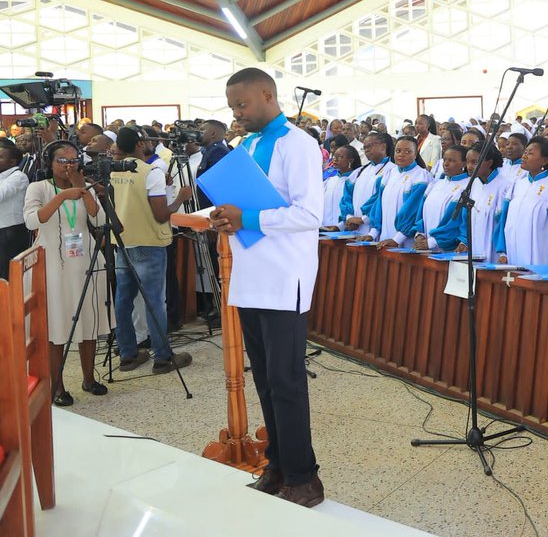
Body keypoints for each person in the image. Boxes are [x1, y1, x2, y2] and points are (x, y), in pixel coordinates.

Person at [210, 68, 324, 506]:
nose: (237, 114)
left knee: (287, 380)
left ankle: (304, 477)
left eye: (242, 105)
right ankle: (277, 463)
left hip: (284, 278)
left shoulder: (300, 144)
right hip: (250, 273)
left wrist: (249, 219)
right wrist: (220, 216)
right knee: (264, 380)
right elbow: (240, 204)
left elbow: (309, 214)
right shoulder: (248, 145)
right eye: (232, 108)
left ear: (267, 95)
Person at [23, 142, 108, 406]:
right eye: (63, 161)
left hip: (85, 260)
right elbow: (33, 220)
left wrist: (83, 191)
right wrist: (62, 196)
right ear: (49, 162)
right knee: (57, 325)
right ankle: (57, 385)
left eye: (73, 160)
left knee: (89, 320)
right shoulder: (39, 188)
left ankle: (88, 378)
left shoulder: (86, 186)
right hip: (53, 265)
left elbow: (99, 220)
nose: (69, 166)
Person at [108, 128, 192, 373]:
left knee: (123, 300)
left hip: (123, 243)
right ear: (139, 143)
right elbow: (160, 214)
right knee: (155, 301)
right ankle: (163, 358)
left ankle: (128, 355)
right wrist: (180, 199)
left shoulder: (113, 170)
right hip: (149, 243)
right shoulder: (151, 172)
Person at [495, 136, 548, 266]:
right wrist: (503, 251)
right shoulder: (517, 185)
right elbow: (504, 221)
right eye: (525, 152)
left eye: (530, 153)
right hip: (513, 254)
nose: (524, 156)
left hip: (542, 256)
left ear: (544, 160)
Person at [377, 136, 434, 249]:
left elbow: (414, 210)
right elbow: (378, 204)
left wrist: (398, 238)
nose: (401, 154)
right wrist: (374, 232)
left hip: (405, 239)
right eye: (398, 151)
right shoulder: (389, 173)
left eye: (407, 151)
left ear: (415, 154)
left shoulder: (421, 176)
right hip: (386, 236)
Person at [413, 146, 471, 251]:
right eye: (445, 159)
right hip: (425, 247)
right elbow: (421, 213)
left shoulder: (467, 187)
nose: (446, 163)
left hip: (447, 248)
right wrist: (420, 234)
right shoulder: (435, 184)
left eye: (452, 160)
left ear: (464, 163)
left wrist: (433, 241)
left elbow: (456, 221)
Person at [339, 131, 396, 239]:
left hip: (375, 227)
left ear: (383, 146)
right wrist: (349, 217)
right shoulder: (361, 170)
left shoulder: (392, 170)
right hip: (355, 227)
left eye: (369, 146)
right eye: (364, 148)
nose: (366, 150)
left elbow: (380, 198)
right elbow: (347, 195)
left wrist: (364, 219)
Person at [0, 141, 30, 274]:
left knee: (9, 274)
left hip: (11, 232)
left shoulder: (19, 177)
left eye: (0, 157)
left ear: (12, 162)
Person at [321, 145, 360, 227]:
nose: (335, 159)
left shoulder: (356, 181)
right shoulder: (330, 180)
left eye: (340, 157)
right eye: (334, 156)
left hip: (346, 229)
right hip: (326, 228)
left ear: (351, 160)